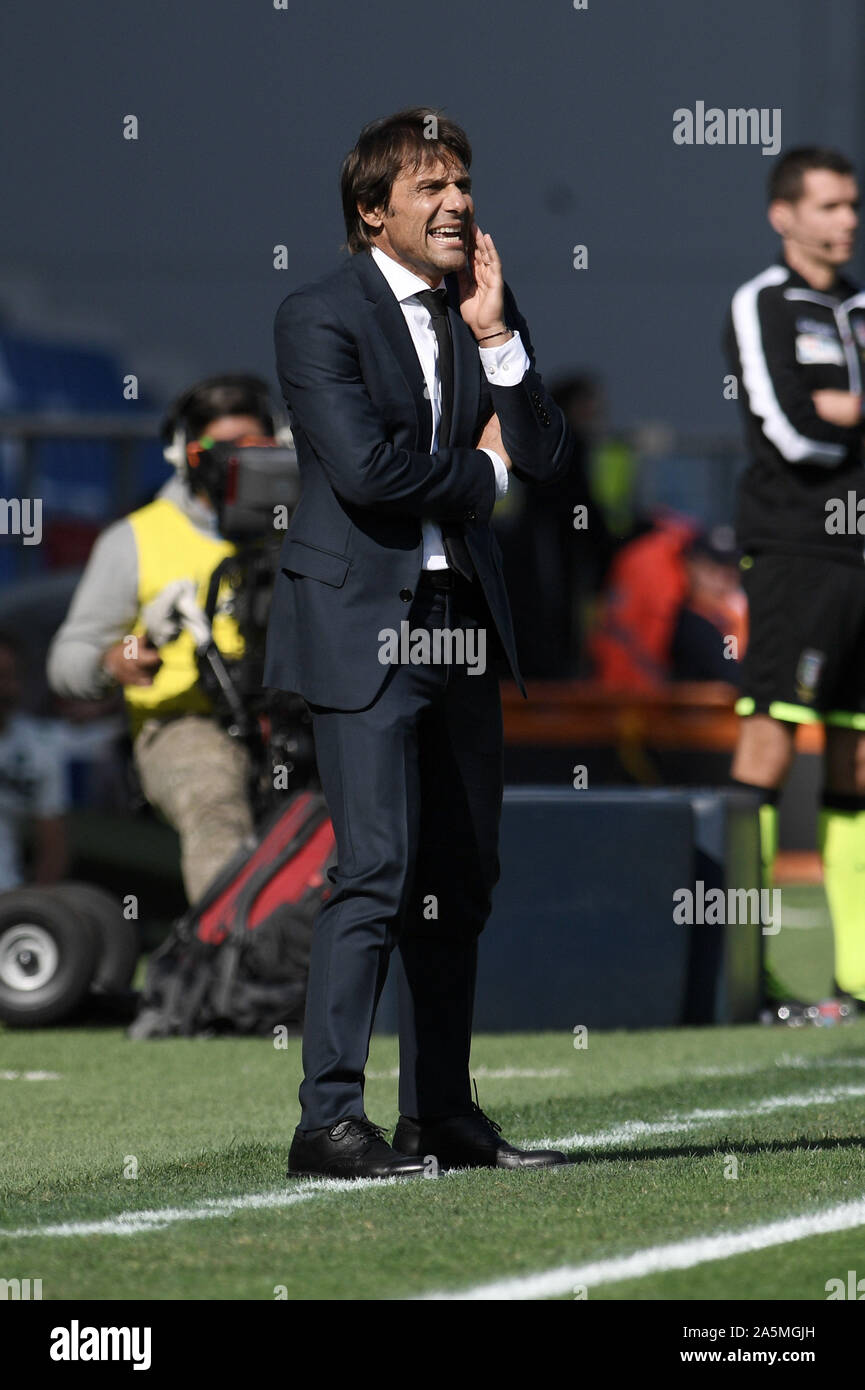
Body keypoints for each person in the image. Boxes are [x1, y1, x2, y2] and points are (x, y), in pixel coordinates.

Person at [263, 107, 575, 1180]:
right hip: (364, 621)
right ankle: (326, 1121)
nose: (457, 205)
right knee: (378, 867)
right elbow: (368, 472)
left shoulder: (468, 305)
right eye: (430, 188)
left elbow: (539, 448)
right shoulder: (317, 314)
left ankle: (439, 1112)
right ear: (371, 211)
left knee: (461, 871)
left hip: (459, 625)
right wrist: (480, 474)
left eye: (463, 185)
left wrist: (497, 336)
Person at [47, 375, 279, 904]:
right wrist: (115, 659)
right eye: (221, 450)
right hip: (183, 722)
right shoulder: (135, 538)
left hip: (293, 718)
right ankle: (233, 958)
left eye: (254, 448)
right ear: (186, 455)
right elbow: (68, 661)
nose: (238, 464)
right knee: (214, 802)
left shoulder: (304, 528)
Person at [724, 146, 865, 1011]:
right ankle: (752, 975)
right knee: (772, 734)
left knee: (856, 754)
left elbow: (833, 415)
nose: (844, 220)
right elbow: (792, 431)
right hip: (795, 551)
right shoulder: (762, 302)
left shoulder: (859, 303)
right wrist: (844, 412)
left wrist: (846, 406)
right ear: (784, 215)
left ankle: (852, 975)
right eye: (826, 206)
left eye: (851, 205)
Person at [0, 629, 68, 892]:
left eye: (8, 677)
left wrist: (33, 906)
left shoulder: (39, 747)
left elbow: (53, 843)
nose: (3, 687)